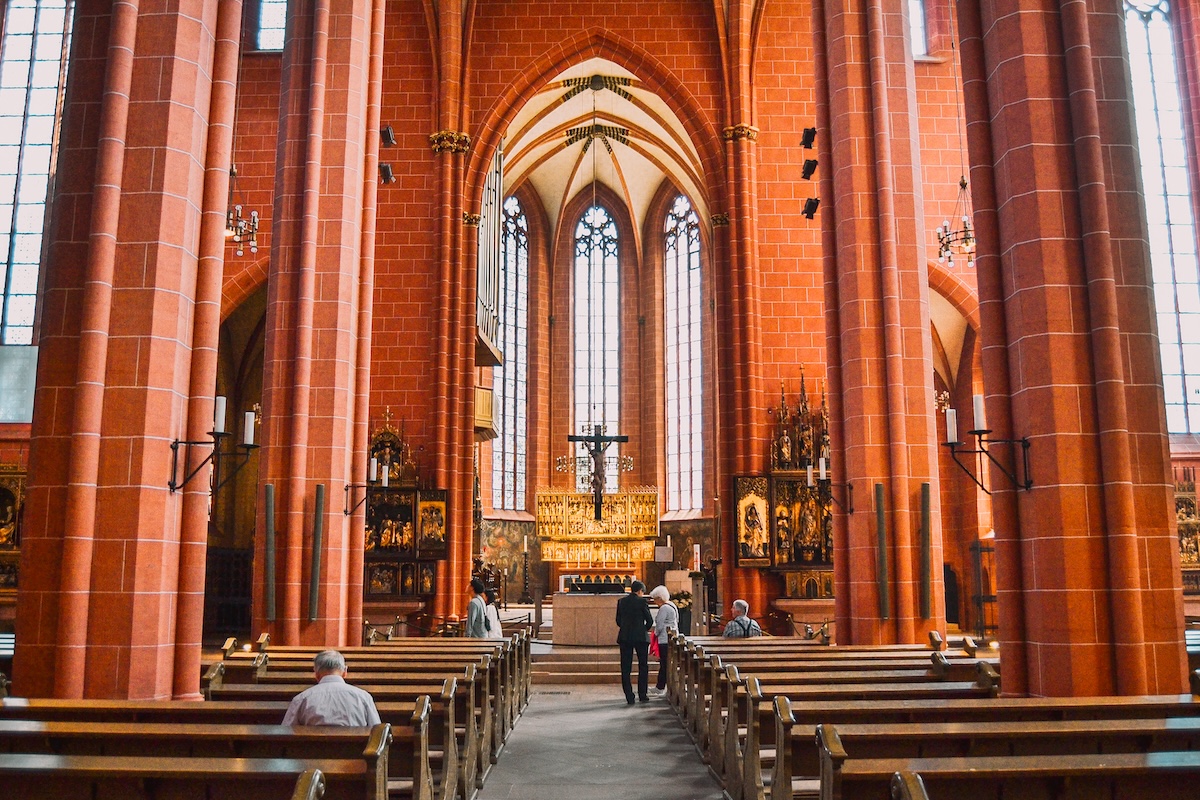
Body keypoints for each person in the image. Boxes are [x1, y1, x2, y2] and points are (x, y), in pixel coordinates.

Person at [282, 650, 381, 726]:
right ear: (345, 672)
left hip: (312, 751)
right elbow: (377, 732)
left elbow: (286, 731)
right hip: (355, 752)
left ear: (316, 674)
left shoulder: (302, 698)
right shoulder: (363, 697)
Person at [615, 579, 654, 704]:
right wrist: (642, 629)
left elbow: (618, 620)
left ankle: (629, 696)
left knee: (625, 667)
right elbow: (650, 621)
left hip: (625, 637)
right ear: (640, 591)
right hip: (640, 638)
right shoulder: (642, 602)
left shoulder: (621, 602)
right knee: (643, 665)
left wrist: (626, 628)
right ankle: (642, 695)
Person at [647, 584, 677, 698]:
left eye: (655, 599)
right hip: (671, 638)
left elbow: (659, 625)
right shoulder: (672, 605)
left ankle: (660, 688)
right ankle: (660, 686)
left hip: (664, 639)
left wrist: (656, 634)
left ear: (659, 598)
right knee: (665, 664)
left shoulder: (664, 608)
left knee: (664, 664)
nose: (655, 602)